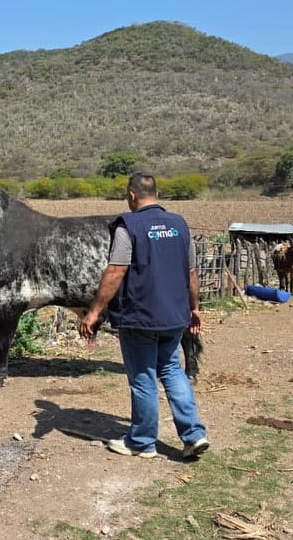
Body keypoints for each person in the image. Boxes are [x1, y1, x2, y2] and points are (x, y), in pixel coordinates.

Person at [80, 172, 208, 459]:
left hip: (139, 317)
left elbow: (116, 271)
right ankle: (194, 434)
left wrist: (94, 312)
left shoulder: (129, 226)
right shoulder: (179, 225)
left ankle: (141, 442)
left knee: (143, 378)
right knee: (173, 371)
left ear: (132, 196)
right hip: (175, 316)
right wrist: (195, 308)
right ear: (157, 194)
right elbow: (191, 273)